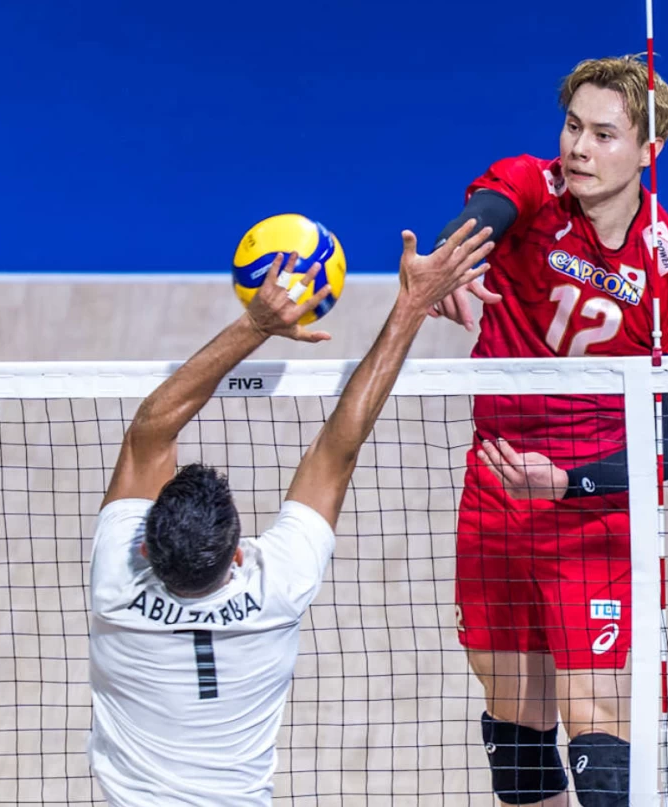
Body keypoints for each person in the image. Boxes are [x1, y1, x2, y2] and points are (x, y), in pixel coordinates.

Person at [87, 220, 496, 806]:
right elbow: (339, 447)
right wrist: (409, 306)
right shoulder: (273, 587)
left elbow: (149, 433)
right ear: (235, 554)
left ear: (146, 548)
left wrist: (254, 325)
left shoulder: (117, 586)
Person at [429, 55, 668, 806]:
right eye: (572, 126)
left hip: (593, 510)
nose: (578, 148)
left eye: (603, 134)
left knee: (593, 719)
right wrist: (445, 264)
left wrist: (572, 481)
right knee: (515, 728)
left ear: (647, 152)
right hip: (495, 491)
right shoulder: (532, 186)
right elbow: (479, 218)